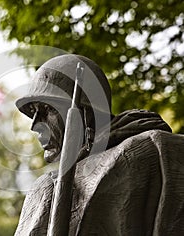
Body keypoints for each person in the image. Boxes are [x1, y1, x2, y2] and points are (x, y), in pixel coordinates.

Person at [14, 54, 184, 236]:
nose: (34, 125)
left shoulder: (152, 149)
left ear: (85, 112)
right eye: (33, 112)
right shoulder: (48, 187)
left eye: (47, 109)